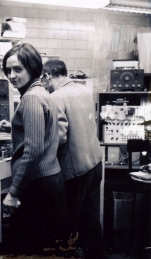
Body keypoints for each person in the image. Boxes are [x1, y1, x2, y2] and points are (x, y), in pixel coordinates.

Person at [0, 44, 69, 256]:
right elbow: (43, 132)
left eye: (18, 69)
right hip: (50, 179)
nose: (12, 75)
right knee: (47, 247)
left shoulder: (30, 97)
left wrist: (13, 193)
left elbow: (33, 150)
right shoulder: (42, 92)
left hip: (38, 185)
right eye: (8, 70)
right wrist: (14, 127)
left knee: (29, 248)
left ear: (32, 67)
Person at [42, 59, 107, 259]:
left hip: (76, 167)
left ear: (46, 76)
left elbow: (60, 136)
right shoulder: (83, 91)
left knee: (70, 219)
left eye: (42, 80)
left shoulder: (56, 97)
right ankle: (96, 254)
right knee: (91, 215)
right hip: (94, 162)